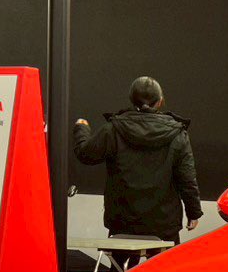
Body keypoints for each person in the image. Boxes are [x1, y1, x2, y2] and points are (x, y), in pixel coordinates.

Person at [74, 77, 201, 259]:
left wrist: (81, 129)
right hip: (164, 224)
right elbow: (187, 178)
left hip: (122, 222)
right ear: (160, 101)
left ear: (132, 100)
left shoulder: (113, 129)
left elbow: (85, 155)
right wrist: (193, 212)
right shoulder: (177, 134)